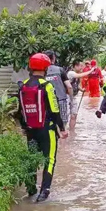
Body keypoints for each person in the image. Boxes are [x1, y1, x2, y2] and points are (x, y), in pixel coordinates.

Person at [18, 53, 68, 202]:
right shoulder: (47, 86)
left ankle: (31, 188)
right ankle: (44, 191)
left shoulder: (23, 85)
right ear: (46, 68)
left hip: (30, 129)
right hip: (47, 129)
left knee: (32, 158)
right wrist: (62, 128)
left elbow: (19, 110)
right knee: (50, 159)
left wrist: (24, 127)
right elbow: (54, 109)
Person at [44, 50, 73, 127]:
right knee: (63, 124)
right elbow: (69, 86)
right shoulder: (60, 70)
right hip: (61, 100)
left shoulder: (42, 71)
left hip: (47, 102)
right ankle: (63, 137)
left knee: (50, 123)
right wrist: (71, 100)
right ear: (53, 58)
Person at [67, 60, 96, 129]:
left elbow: (76, 85)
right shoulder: (71, 73)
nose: (82, 68)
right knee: (65, 116)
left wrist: (81, 89)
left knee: (74, 115)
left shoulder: (77, 75)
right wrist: (91, 71)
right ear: (75, 66)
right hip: (66, 96)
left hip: (73, 97)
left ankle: (72, 132)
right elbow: (80, 75)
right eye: (80, 66)